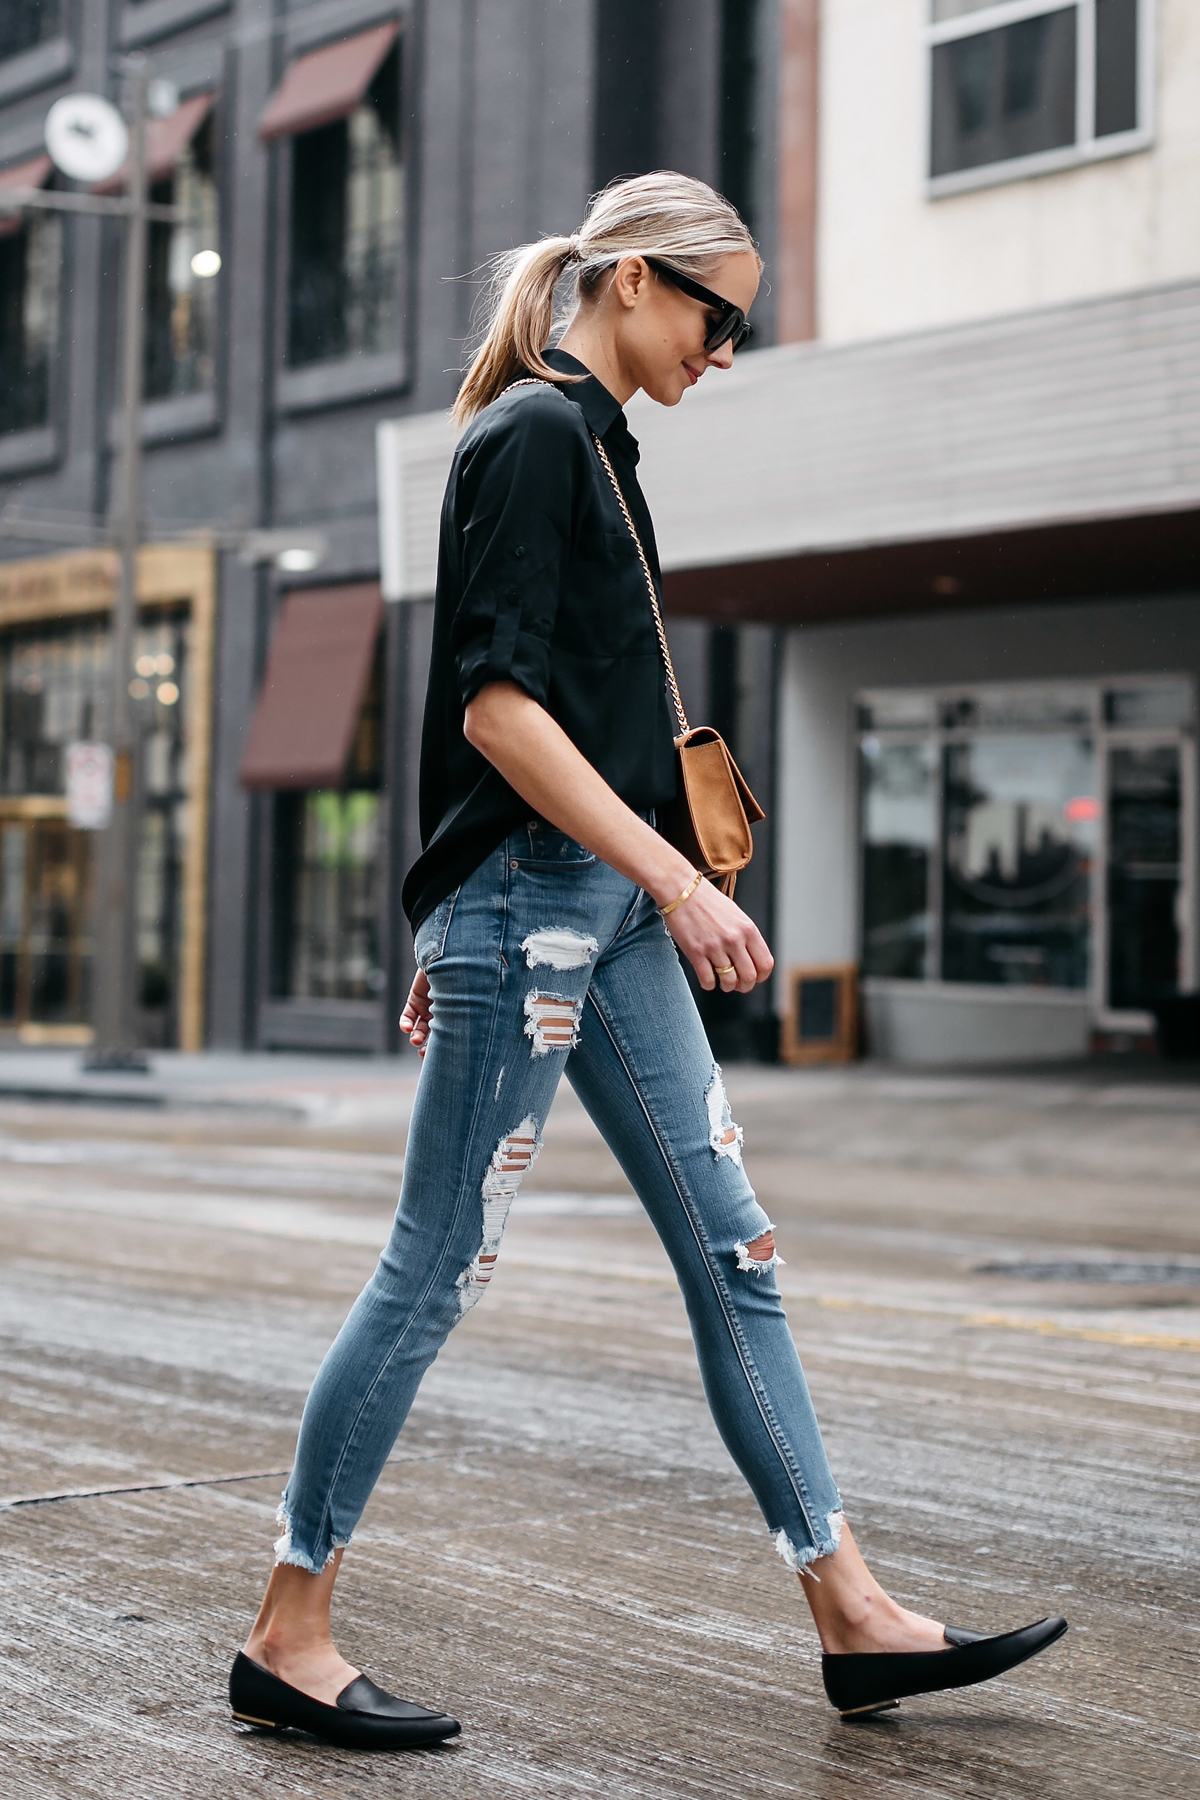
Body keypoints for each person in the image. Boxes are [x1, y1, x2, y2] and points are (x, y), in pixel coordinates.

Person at [230, 172, 1066, 1749]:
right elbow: (493, 710)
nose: (727, 349)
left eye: (740, 324)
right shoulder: (533, 436)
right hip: (550, 906)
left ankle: (853, 1611)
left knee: (733, 1250)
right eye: (714, 313)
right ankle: (288, 1629)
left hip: (585, 916)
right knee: (433, 1267)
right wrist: (653, 884)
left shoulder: (594, 447)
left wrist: (588, 898)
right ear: (626, 281)